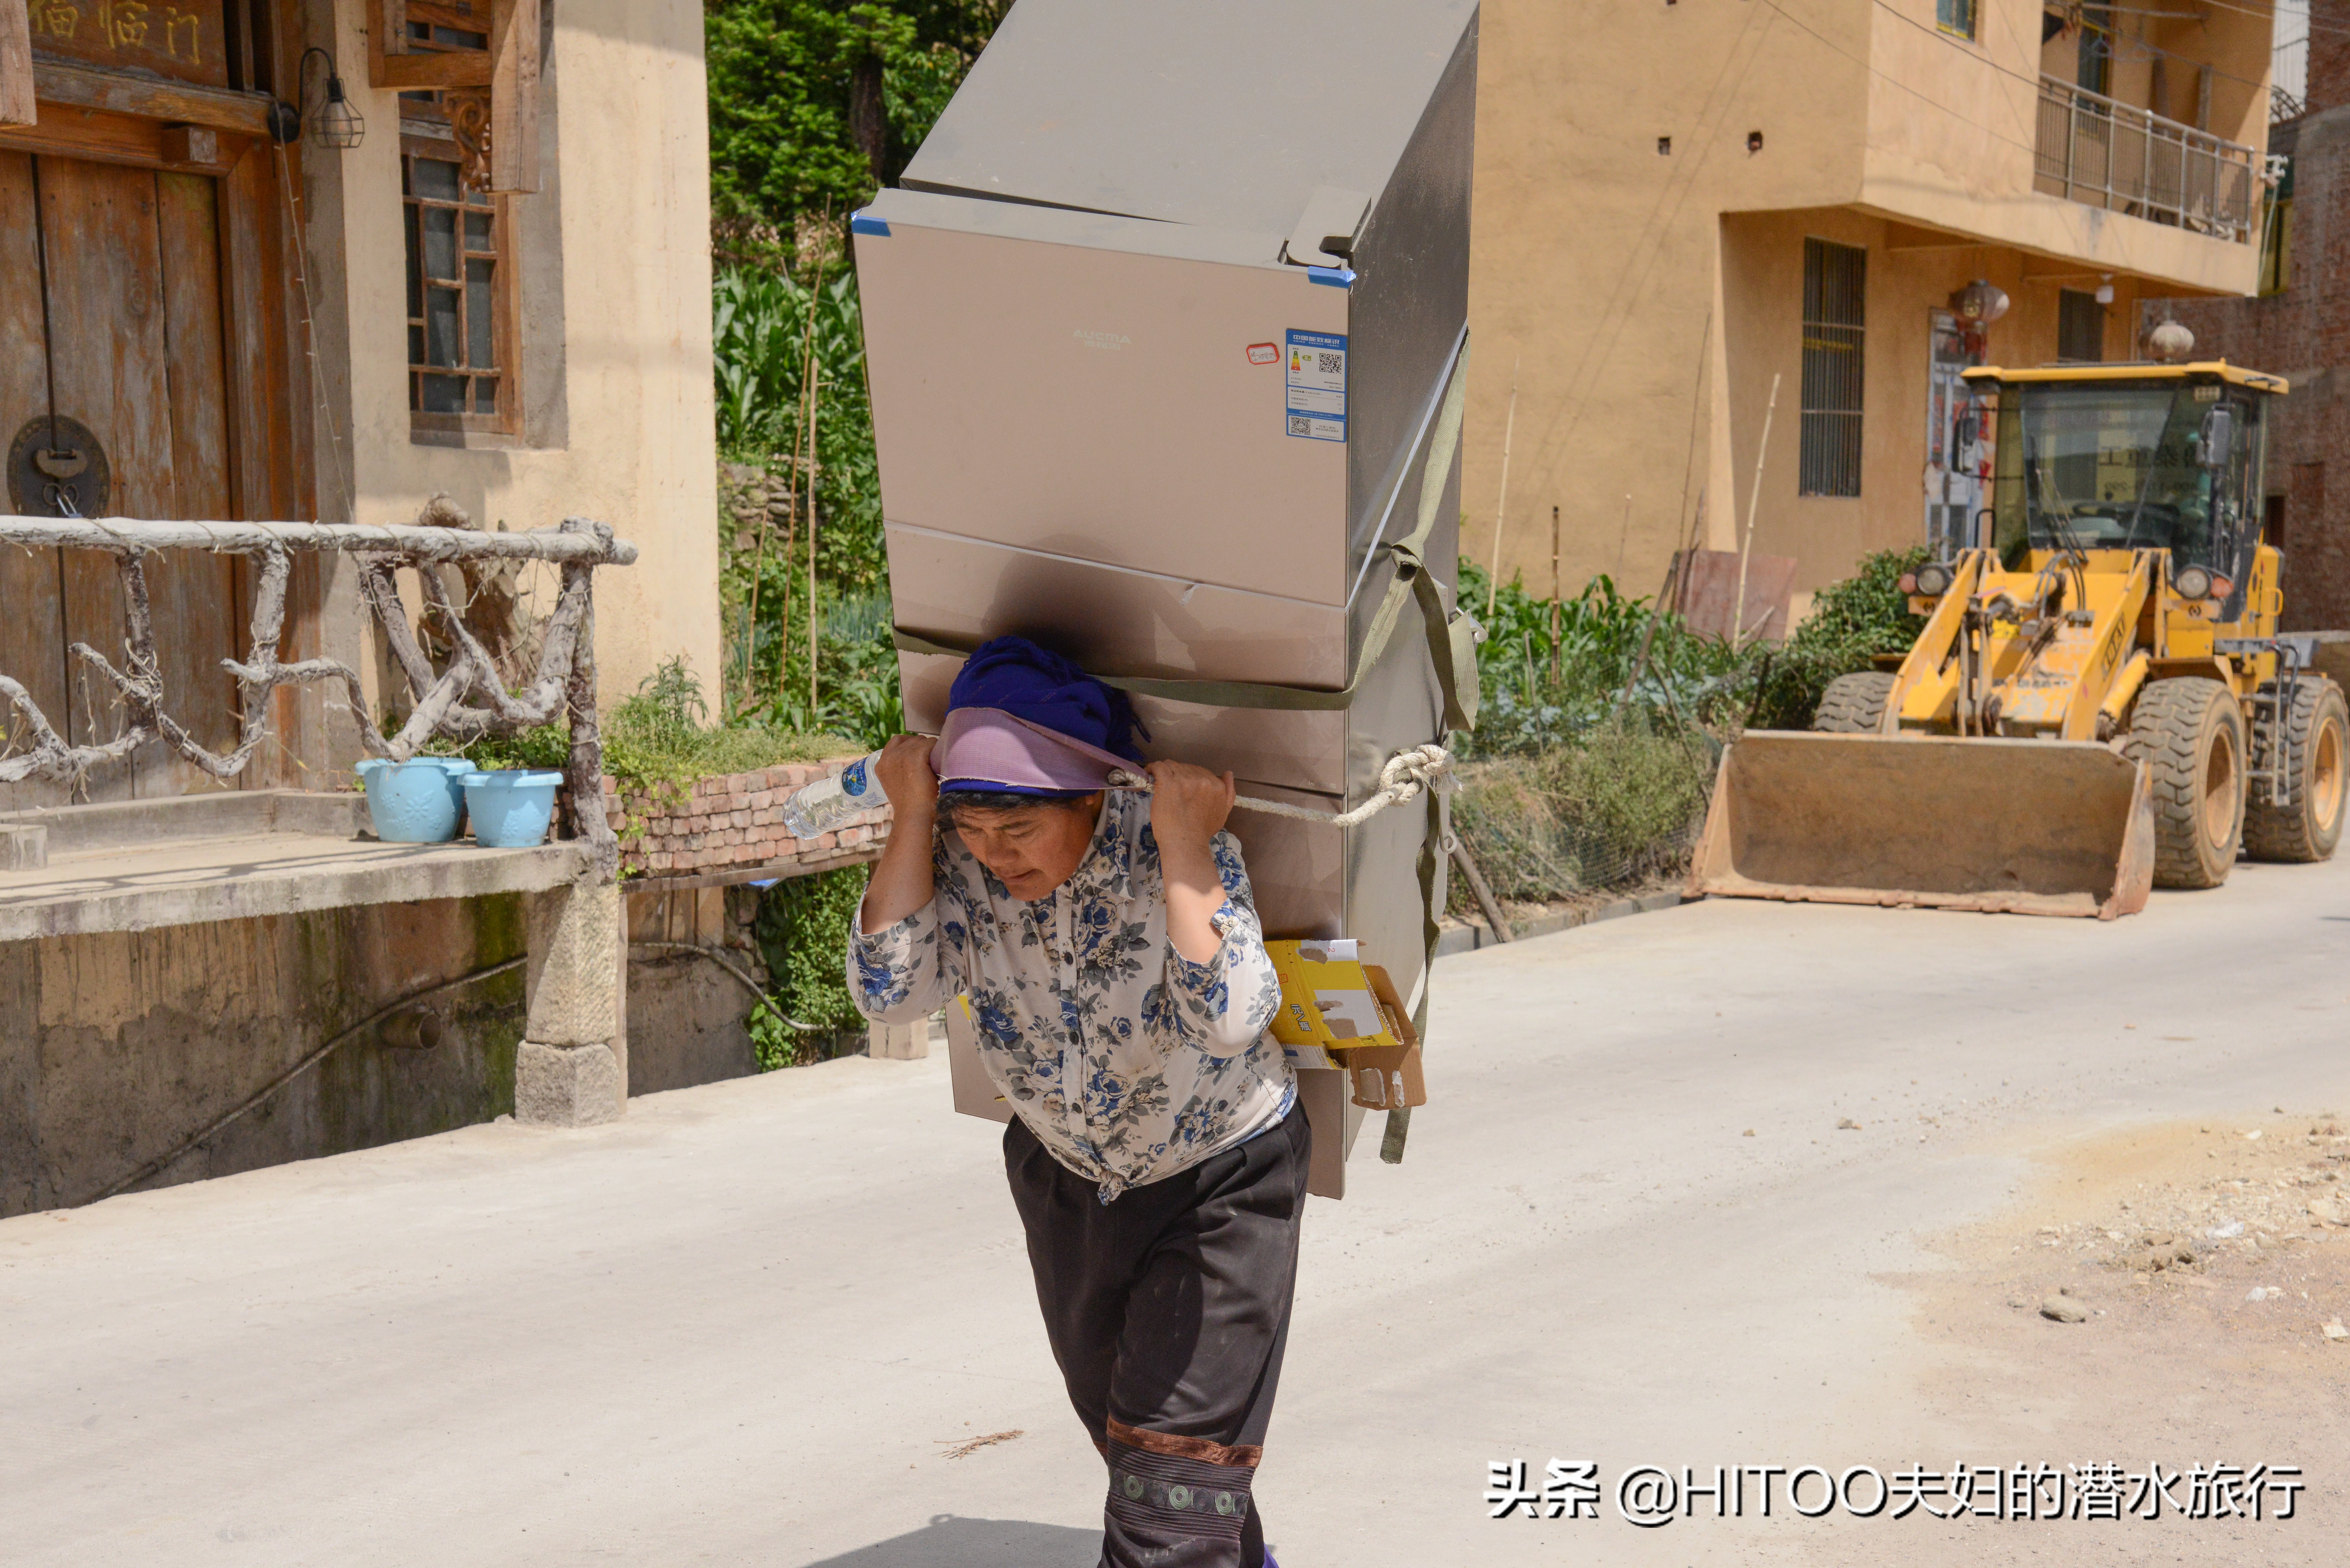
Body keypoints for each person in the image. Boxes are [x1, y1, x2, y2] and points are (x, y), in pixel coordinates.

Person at [848, 636, 1306, 1568]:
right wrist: (912, 819)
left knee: (1165, 1497)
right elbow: (892, 993)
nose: (993, 853)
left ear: (1094, 794)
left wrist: (1187, 838)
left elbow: (1231, 1020)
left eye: (1018, 831)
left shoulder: (1163, 846)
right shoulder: (955, 859)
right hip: (1066, 1181)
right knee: (1143, 1456)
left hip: (1218, 1175)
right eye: (975, 830)